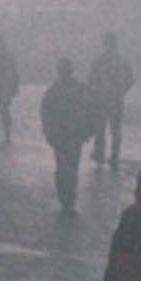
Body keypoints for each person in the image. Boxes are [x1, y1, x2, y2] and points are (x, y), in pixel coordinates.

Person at [40, 56, 93, 215]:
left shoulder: (53, 90)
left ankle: (64, 196)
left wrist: (49, 131)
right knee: (72, 167)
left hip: (60, 135)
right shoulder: (80, 88)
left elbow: (46, 113)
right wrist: (88, 130)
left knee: (62, 166)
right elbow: (90, 109)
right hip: (74, 134)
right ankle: (69, 197)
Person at [87, 33, 134, 168]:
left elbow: (90, 81)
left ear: (104, 43)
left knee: (100, 129)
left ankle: (100, 154)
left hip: (101, 100)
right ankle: (114, 155)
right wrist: (120, 91)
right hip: (116, 100)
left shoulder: (98, 62)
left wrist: (95, 93)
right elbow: (130, 80)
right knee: (116, 130)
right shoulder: (122, 61)